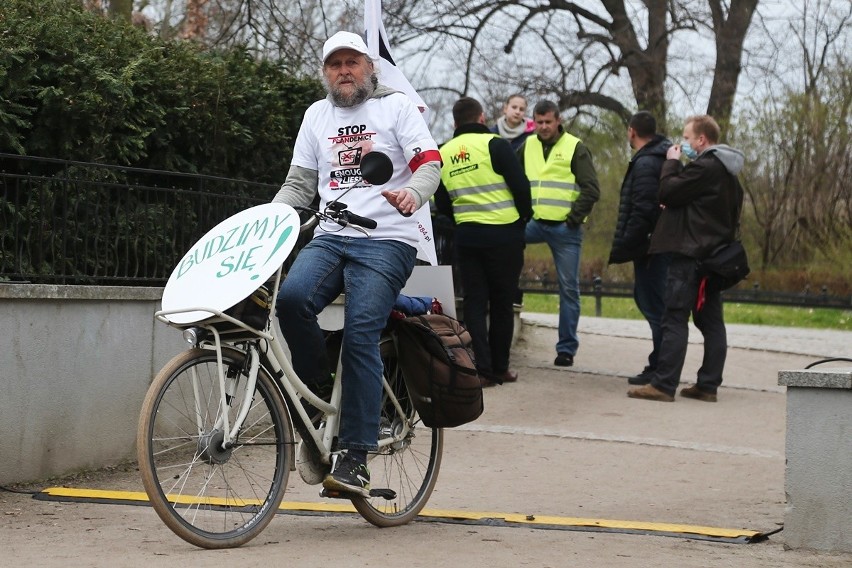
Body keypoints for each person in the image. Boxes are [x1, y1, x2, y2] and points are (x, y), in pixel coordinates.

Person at [272, 31, 442, 495]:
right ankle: (321, 390)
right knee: (290, 300)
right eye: (334, 64)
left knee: (362, 328)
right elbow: (299, 184)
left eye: (352, 62)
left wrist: (413, 192)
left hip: (387, 239)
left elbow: (430, 162)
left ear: (370, 67)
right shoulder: (316, 115)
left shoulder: (397, 107)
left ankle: (355, 455)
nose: (344, 71)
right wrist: (268, 225)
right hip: (331, 236)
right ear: (325, 73)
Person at [627, 114, 744, 403]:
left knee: (674, 318)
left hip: (690, 254)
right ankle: (707, 385)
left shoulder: (707, 165)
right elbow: (708, 209)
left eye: (687, 138)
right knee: (711, 321)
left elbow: (667, 189)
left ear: (701, 140)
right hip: (713, 256)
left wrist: (671, 162)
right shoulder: (729, 173)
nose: (684, 143)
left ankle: (663, 385)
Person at [433, 97, 532, 387]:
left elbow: (441, 201)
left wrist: (460, 222)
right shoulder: (495, 144)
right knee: (503, 302)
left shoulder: (442, 153)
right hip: (505, 235)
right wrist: (523, 218)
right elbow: (521, 186)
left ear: (454, 123)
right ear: (482, 117)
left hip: (468, 237)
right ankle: (501, 368)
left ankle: (483, 369)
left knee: (476, 303)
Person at [517, 100, 600, 367]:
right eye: (539, 122)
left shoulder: (575, 147)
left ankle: (566, 349)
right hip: (533, 222)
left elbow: (591, 189)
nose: (543, 127)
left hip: (565, 228)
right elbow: (513, 179)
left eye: (548, 122)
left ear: (558, 120)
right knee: (503, 244)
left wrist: (573, 220)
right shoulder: (527, 145)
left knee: (569, 289)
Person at [607, 111, 672, 385]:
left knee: (654, 306)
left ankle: (661, 369)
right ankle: (658, 364)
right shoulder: (658, 157)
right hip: (655, 244)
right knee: (654, 304)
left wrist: (629, 244)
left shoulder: (646, 163)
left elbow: (643, 209)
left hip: (649, 247)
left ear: (631, 131)